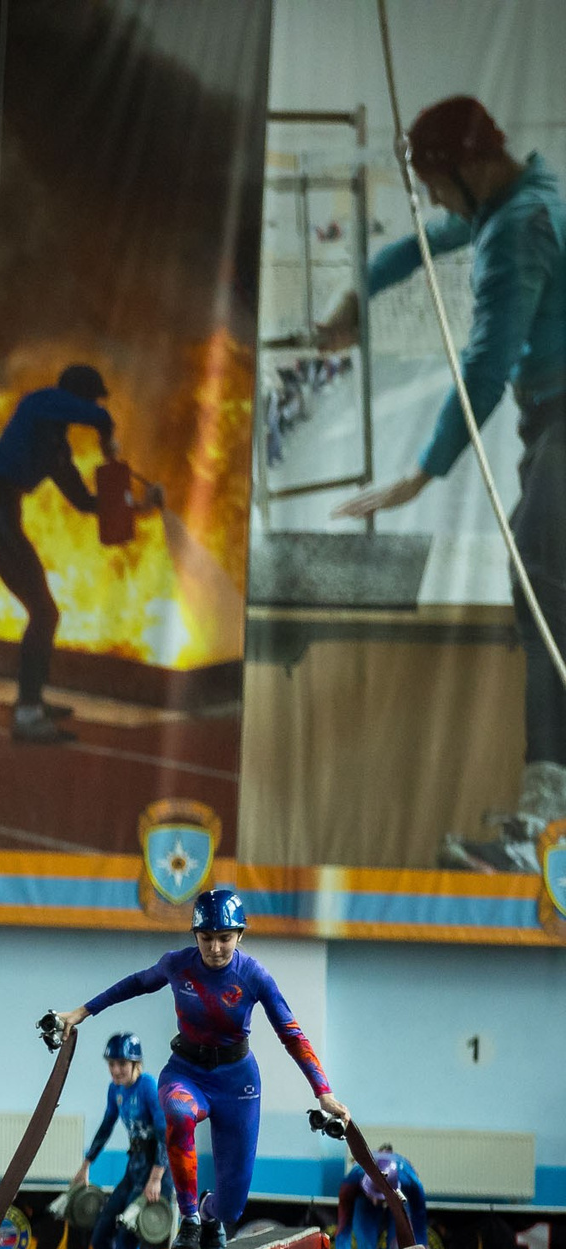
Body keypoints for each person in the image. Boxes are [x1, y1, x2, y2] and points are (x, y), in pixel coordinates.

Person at [322, 96, 566, 871]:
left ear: (466, 167)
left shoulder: (518, 230)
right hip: (550, 423)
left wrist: (422, 472)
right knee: (548, 594)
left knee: (542, 591)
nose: (434, 201)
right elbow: (427, 244)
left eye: (433, 184)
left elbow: (488, 365)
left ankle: (546, 829)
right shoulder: (521, 196)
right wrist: (358, 296)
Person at [51, 888, 347, 1249]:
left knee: (231, 1208)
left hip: (238, 1084)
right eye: (206, 938)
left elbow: (291, 1033)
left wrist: (323, 1091)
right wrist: (82, 1012)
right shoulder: (178, 965)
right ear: (195, 935)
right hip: (186, 1073)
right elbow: (135, 984)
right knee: (177, 1112)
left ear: (240, 935)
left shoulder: (253, 975)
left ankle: (207, 1210)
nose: (215, 948)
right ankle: (190, 1216)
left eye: (225, 938)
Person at [0, 364, 158, 746]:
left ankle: (33, 700)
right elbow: (99, 416)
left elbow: (85, 501)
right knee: (44, 613)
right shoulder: (38, 403)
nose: (91, 405)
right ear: (78, 397)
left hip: (4, 518)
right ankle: (27, 714)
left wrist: (140, 508)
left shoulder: (56, 447)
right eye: (90, 398)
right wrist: (107, 442)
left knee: (44, 613)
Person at [71, 1032, 165, 1249]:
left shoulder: (148, 1087)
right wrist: (86, 1164)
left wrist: (156, 1178)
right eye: (112, 1064)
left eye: (122, 1063)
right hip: (132, 1170)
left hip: (153, 1174)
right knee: (100, 1239)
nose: (116, 1070)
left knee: (125, 1244)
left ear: (136, 1063)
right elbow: (106, 1125)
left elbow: (166, 1133)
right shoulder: (115, 1090)